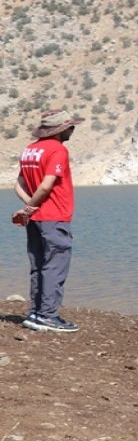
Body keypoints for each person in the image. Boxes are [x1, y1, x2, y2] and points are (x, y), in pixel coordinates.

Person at [12, 109, 85, 333]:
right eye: (70, 126)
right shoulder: (58, 150)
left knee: (39, 264)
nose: (73, 129)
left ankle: (35, 313)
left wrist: (29, 209)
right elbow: (46, 185)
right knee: (55, 265)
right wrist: (32, 206)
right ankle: (48, 316)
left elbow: (18, 184)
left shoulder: (30, 150)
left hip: (35, 219)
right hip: (54, 217)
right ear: (61, 129)